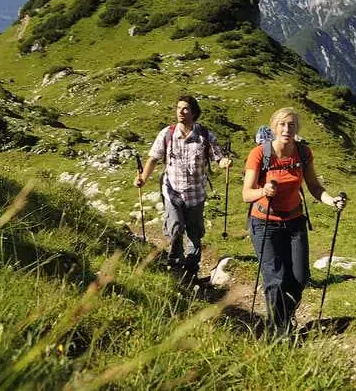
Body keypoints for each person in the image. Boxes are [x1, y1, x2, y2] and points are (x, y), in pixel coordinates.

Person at [242, 107, 345, 336]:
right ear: (273, 127)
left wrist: (332, 201)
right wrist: (263, 191)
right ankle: (278, 332)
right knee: (276, 279)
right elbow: (246, 194)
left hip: (294, 221)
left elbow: (315, 188)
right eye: (282, 124)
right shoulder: (260, 154)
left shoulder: (303, 153)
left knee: (299, 278)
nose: (287, 129)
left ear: (297, 128)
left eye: (291, 125)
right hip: (264, 222)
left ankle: (285, 319)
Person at [135, 95, 232, 281]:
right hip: (172, 191)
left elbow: (218, 158)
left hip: (196, 194)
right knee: (176, 227)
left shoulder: (205, 135)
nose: (181, 111)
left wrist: (225, 162)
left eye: (185, 108)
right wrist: (142, 178)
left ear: (194, 112)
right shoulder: (167, 134)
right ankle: (174, 263)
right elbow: (153, 159)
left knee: (194, 233)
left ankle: (191, 269)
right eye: (178, 108)